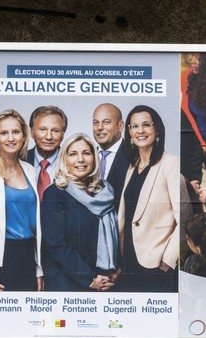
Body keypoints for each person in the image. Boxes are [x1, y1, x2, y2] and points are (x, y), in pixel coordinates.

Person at [0, 109, 42, 292]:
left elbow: (34, 225)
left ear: (24, 135)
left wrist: (38, 268)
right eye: (4, 133)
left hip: (27, 257)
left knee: (27, 319)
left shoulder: (30, 170)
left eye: (15, 132)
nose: (10, 138)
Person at [41, 134, 120, 292]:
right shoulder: (55, 193)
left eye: (86, 153)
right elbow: (56, 244)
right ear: (64, 160)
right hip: (67, 283)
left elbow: (118, 235)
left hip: (104, 281)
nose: (80, 159)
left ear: (94, 157)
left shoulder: (106, 191)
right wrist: (89, 279)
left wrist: (115, 270)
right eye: (73, 154)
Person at [117, 105, 180, 292]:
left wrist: (169, 257)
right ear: (129, 132)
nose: (140, 131)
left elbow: (184, 216)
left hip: (156, 261)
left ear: (156, 129)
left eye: (146, 125)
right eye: (134, 126)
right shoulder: (132, 167)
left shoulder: (171, 163)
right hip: (128, 256)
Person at [91, 103, 129, 207]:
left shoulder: (134, 156)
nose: (99, 127)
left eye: (106, 122)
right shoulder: (86, 156)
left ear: (120, 126)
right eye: (95, 123)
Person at [26, 105, 67, 199]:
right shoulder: (19, 161)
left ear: (62, 135)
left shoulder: (72, 163)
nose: (49, 137)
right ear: (32, 132)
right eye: (43, 129)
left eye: (55, 131)